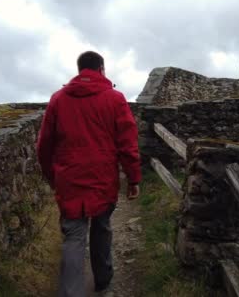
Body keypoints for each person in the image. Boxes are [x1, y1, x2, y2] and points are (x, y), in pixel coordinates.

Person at [36, 51, 142, 297]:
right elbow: (128, 144)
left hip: (69, 180)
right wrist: (133, 178)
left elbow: (44, 145)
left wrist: (52, 176)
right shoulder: (115, 99)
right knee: (102, 227)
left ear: (79, 69)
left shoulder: (58, 99)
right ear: (102, 69)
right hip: (103, 179)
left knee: (73, 237)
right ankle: (103, 280)